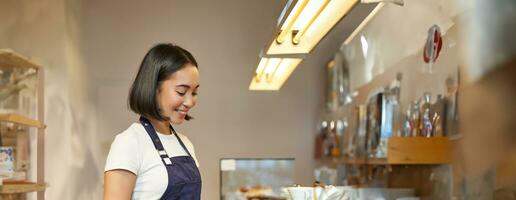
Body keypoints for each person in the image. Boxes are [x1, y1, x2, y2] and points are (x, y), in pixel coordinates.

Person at [103, 43, 201, 200]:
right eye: (181, 91)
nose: (189, 102)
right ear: (154, 87)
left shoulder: (186, 145)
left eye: (194, 92)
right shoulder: (129, 142)